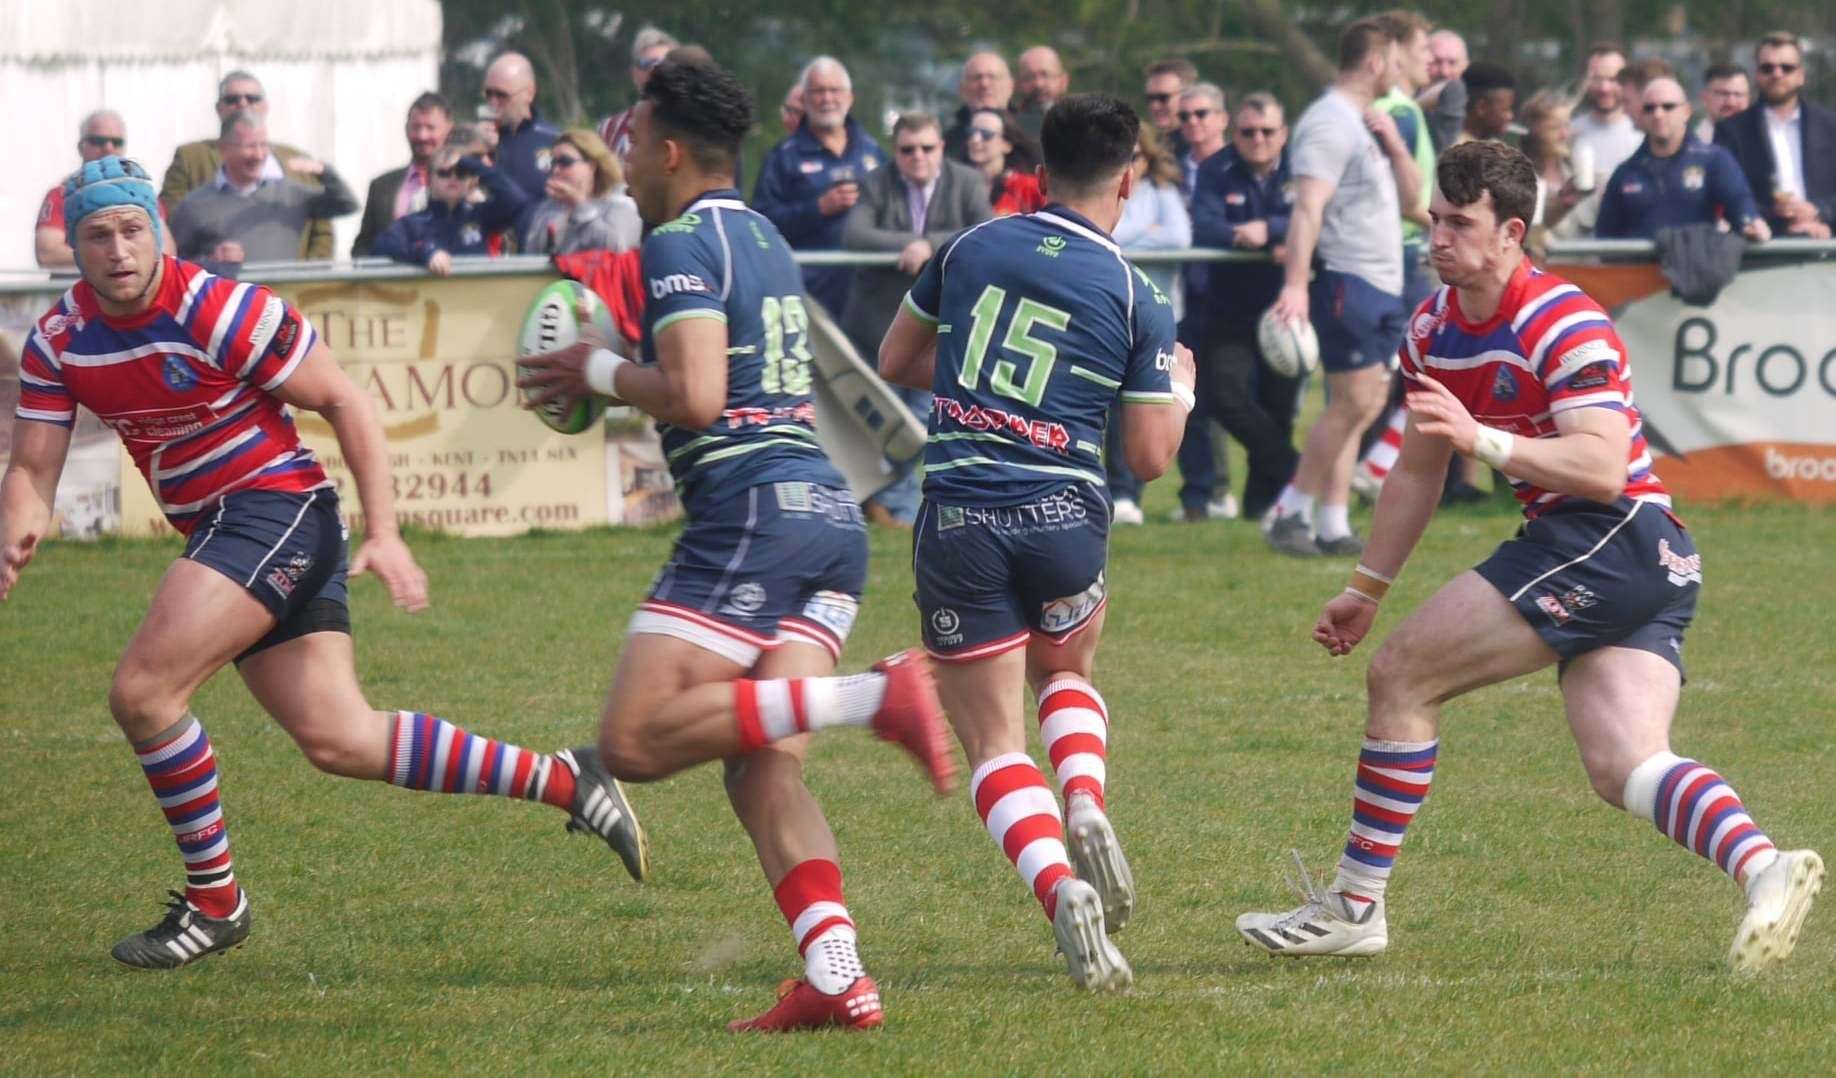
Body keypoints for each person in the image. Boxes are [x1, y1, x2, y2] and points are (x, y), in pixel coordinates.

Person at [1, 156, 650, 971]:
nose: (119, 250)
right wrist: (16, 529)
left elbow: (343, 399)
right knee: (341, 739)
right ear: (76, 245)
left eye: (133, 229)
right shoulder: (61, 339)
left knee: (144, 691)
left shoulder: (219, 308)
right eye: (98, 235)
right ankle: (568, 780)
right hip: (226, 530)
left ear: (159, 228)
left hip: (275, 509)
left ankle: (216, 902)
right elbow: (31, 470)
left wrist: (385, 530)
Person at [1236, 140, 1823, 976]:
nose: (1438, 237)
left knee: (1402, 677)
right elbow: (1417, 465)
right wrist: (1365, 586)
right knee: (1623, 766)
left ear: (1511, 231)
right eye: (1434, 219)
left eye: (1460, 223)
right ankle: (1767, 868)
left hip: (1609, 536)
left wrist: (1485, 440)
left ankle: (1355, 906)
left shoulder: (1561, 316)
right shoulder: (1435, 326)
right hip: (1636, 555)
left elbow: (1602, 465)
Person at [515, 58, 954, 1033]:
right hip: (827, 517)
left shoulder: (676, 241)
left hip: (751, 517)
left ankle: (878, 695)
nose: (622, 159)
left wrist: (593, 367)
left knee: (629, 741)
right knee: (762, 762)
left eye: (631, 141)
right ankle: (838, 973)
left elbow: (701, 395)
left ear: (669, 152)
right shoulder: (761, 233)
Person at [878, 92, 1198, 992]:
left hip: (960, 517)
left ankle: (1059, 887)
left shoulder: (970, 247)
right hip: (1063, 518)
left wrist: (981, 387)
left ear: (1039, 171)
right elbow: (1149, 458)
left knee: (992, 745)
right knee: (1064, 673)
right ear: (1128, 180)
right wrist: (1181, 392)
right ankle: (1086, 802)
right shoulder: (1141, 295)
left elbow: (896, 360)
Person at [1265, 18, 1420, 557]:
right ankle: (1290, 511)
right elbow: (1308, 207)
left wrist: (1396, 147)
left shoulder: (1364, 122)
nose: (1400, 73)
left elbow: (1408, 206)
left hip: (1379, 281)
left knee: (1368, 401)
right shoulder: (1329, 122)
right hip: (1346, 280)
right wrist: (1296, 286)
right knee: (1353, 400)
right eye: (1397, 61)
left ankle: (1331, 520)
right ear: (1376, 62)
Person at [840, 112, 992, 527]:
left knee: (924, 423)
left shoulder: (967, 181)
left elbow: (985, 228)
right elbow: (855, 234)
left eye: (927, 148)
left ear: (941, 148)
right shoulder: (876, 182)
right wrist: (909, 244)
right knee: (883, 425)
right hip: (877, 328)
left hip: (940, 329)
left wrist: (930, 245)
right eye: (908, 149)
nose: (918, 157)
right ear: (896, 151)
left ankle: (900, 511)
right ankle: (888, 507)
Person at [1190, 93, 1302, 525]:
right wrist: (1250, 235)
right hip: (1229, 309)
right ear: (1234, 132)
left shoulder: (1302, 168)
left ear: (1283, 134)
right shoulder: (1215, 169)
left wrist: (1270, 229)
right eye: (1248, 131)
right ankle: (1298, 469)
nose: (1257, 139)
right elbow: (1206, 226)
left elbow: (1318, 217)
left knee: (1279, 408)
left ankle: (1263, 508)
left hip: (1286, 307)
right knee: (1224, 395)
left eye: (1267, 131)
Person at [751, 56, 885, 318]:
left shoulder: (873, 152)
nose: (827, 99)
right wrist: (818, 208)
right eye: (818, 91)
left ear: (850, 97)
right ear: (804, 99)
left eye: (834, 90)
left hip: (868, 296)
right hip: (808, 297)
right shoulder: (783, 157)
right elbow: (761, 225)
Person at [1108, 123, 1192, 525]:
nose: (1132, 165)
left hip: (1158, 316)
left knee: (1143, 404)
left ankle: (1128, 494)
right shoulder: (1105, 195)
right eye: (1124, 157)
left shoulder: (1164, 193)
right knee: (1108, 404)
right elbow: (1108, 236)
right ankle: (1114, 490)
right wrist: (1148, 233)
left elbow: (1179, 236)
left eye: (1137, 157)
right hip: (1112, 313)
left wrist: (1129, 238)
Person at [159, 70, 336, 259]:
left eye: (252, 99)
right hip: (222, 281)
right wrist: (209, 261)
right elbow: (172, 227)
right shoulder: (190, 158)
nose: (243, 104)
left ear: (265, 107)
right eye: (232, 99)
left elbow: (322, 231)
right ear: (219, 108)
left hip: (288, 284)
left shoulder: (298, 160)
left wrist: (305, 277)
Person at [170, 112, 359, 266]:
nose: (259, 155)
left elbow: (347, 205)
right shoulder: (194, 205)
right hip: (227, 309)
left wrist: (324, 171)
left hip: (282, 306)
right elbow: (175, 265)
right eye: (250, 146)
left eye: (264, 145)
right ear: (224, 149)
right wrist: (211, 261)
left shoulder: (291, 195)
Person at [1172, 81, 1237, 524]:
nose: (1193, 123)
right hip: (1184, 296)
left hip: (1232, 294)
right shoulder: (1170, 170)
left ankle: (1248, 491)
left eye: (1202, 114)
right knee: (1187, 395)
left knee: (1237, 396)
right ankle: (1198, 493)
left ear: (1222, 118)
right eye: (1185, 116)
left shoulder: (1240, 164)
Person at [1597, 78, 1769, 242]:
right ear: (1641, 115)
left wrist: (1751, 223)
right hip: (1638, 270)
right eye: (1649, 108)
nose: (1658, 114)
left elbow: (1740, 205)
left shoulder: (1714, 160)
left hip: (1695, 270)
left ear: (1686, 112)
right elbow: (1605, 237)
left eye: (1668, 107)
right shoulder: (1626, 173)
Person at [1716, 32, 1836, 239]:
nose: (1777, 74)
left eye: (1787, 68)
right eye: (1767, 68)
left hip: (1826, 245)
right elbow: (1723, 194)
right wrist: (1775, 215)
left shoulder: (1830, 126)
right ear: (1757, 75)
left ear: (1801, 75)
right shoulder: (1731, 131)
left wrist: (1819, 212)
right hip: (1762, 250)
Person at [36, 110, 175, 269]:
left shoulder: (142, 194)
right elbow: (47, 254)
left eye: (116, 142)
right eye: (98, 141)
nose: (108, 148)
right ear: (81, 147)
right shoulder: (61, 195)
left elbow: (167, 252)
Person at [372, 146, 529, 274]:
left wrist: (473, 165)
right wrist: (425, 251)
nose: (453, 178)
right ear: (429, 180)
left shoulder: (482, 216)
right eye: (444, 173)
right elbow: (382, 245)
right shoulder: (412, 223)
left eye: (461, 173)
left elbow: (517, 200)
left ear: (471, 181)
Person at [352, 92, 455, 257]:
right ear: (406, 129)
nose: (422, 136)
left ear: (449, 129)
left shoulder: (464, 182)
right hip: (390, 282)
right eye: (416, 127)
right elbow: (363, 246)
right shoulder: (381, 187)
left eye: (430, 128)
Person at [521, 128, 642, 256]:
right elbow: (532, 254)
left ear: (591, 166)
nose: (556, 170)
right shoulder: (549, 207)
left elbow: (617, 250)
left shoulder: (621, 203)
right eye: (553, 163)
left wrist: (578, 204)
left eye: (565, 162)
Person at [482, 52, 559, 237]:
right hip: (484, 254)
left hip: (536, 250)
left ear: (529, 93)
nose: (493, 103)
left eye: (501, 95)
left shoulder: (555, 141)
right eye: (488, 94)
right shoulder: (476, 140)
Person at [598, 26, 678, 163]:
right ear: (635, 74)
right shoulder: (610, 130)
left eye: (664, 64)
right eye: (647, 64)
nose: (655, 71)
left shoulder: (699, 125)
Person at [964, 108, 1045, 216]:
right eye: (971, 132)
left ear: (1007, 145)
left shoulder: (1028, 187)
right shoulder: (957, 184)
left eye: (986, 134)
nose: (975, 140)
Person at [944, 52, 1016, 163]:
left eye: (993, 77)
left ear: (1010, 86)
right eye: (976, 78)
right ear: (962, 89)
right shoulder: (947, 142)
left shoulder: (1036, 135)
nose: (984, 84)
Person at [1419, 29, 1469, 150]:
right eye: (1437, 62)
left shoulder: (1475, 117)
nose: (1444, 72)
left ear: (1465, 66)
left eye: (1452, 63)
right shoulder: (1404, 108)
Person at [1143, 58, 1199, 159]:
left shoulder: (1202, 151)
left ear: (1188, 95)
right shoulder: (1147, 151)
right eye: (1150, 98)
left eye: (1163, 98)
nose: (1154, 106)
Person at [1457, 62, 1517, 145]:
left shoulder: (1497, 148)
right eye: (1505, 109)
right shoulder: (1456, 150)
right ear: (1481, 108)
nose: (1510, 116)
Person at [1015, 46, 1070, 139]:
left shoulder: (1082, 122)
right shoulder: (1009, 125)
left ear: (1063, 81)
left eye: (1046, 75)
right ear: (1018, 84)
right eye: (1029, 77)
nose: (1038, 84)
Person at [1695, 64, 1751, 144]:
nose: (1731, 102)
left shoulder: (1764, 141)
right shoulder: (1692, 146)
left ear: (1748, 99)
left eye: (1738, 94)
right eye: (1723, 94)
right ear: (1705, 98)